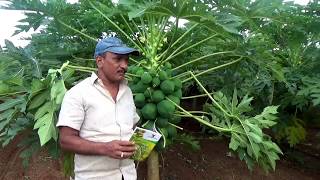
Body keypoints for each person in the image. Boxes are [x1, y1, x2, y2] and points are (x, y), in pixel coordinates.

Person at [57, 37, 140, 180]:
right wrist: (105, 148)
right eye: (118, 59)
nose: (124, 65)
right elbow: (66, 140)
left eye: (126, 60)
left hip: (128, 175)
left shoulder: (127, 92)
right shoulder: (78, 93)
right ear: (100, 61)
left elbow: (131, 128)